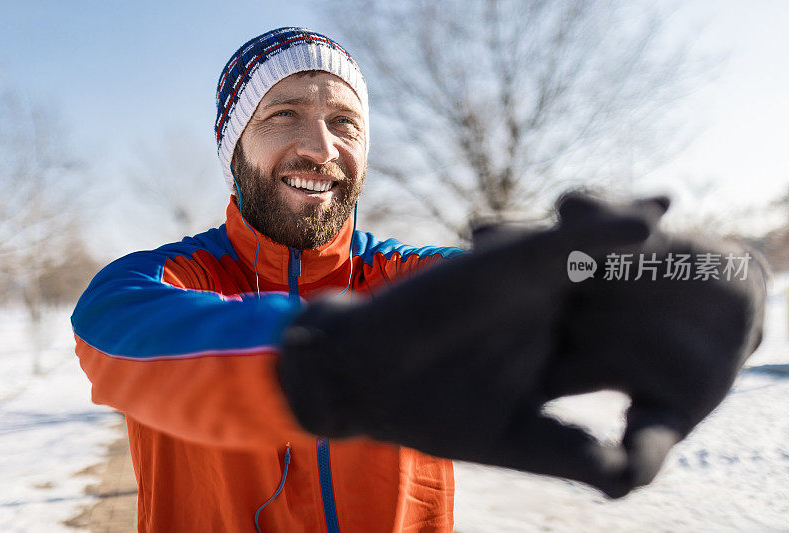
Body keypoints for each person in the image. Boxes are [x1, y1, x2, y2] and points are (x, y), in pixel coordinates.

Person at [72, 27, 766, 532]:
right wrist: (327, 365)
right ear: (234, 146)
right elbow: (117, 332)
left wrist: (718, 276)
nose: (321, 146)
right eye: (283, 115)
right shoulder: (162, 279)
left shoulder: (418, 283)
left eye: (345, 122)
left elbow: (561, 288)